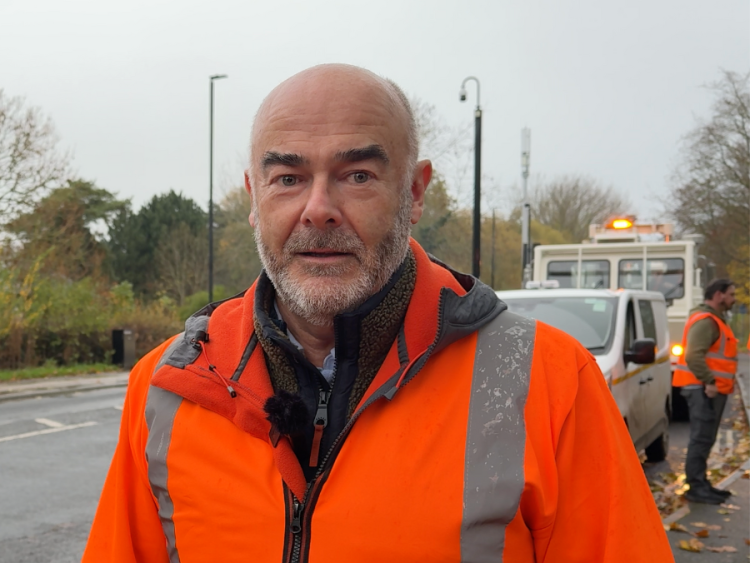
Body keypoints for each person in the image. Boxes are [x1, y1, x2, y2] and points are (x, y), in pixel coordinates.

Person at [83, 64, 672, 562]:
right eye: (288, 178)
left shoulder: (550, 381)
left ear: (414, 193)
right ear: (253, 199)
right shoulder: (167, 387)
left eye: (357, 175)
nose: (318, 209)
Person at [673, 278, 738, 504]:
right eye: (731, 294)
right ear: (719, 295)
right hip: (703, 389)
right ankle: (695, 487)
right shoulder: (707, 321)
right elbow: (693, 355)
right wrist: (709, 381)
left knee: (705, 438)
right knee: (701, 438)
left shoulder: (714, 320)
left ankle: (701, 482)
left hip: (706, 388)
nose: (734, 298)